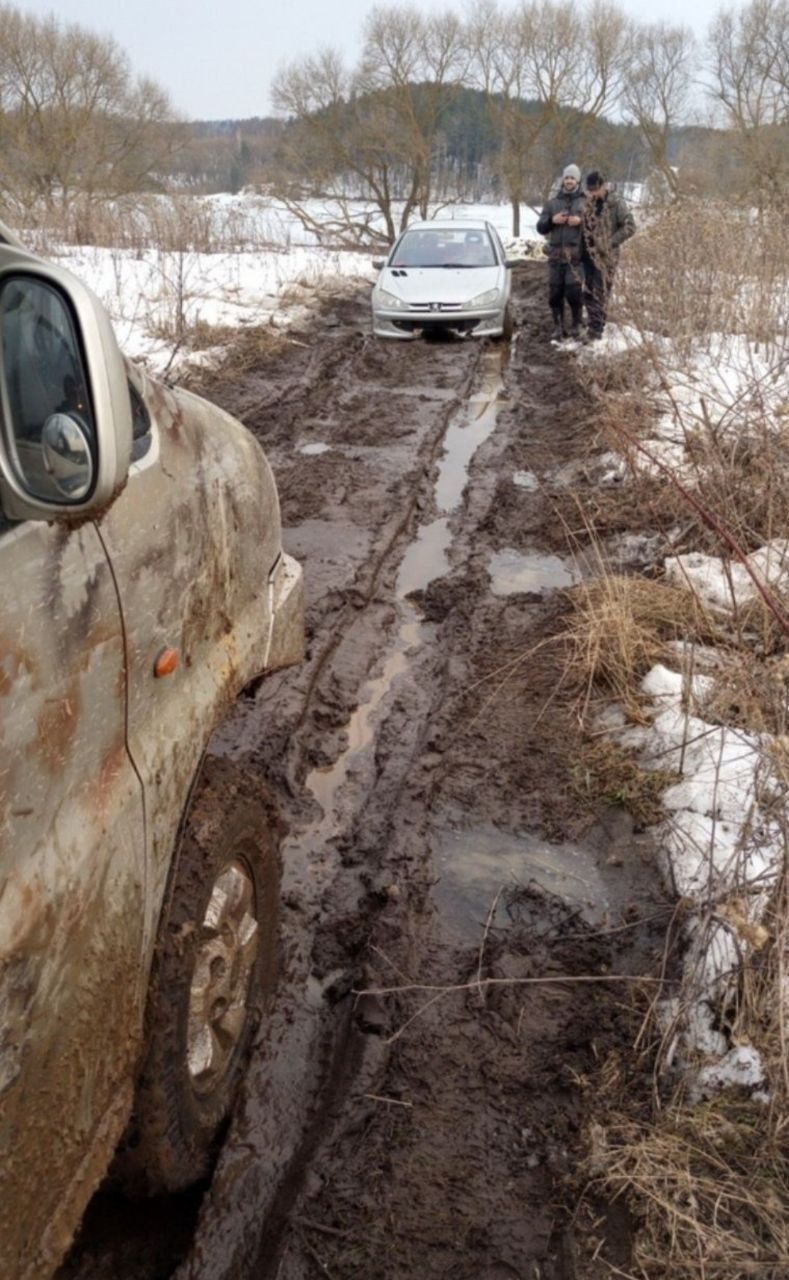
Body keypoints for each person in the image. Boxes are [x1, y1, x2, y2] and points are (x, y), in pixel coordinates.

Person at [580, 170, 635, 341]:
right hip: (588, 256)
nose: (593, 193)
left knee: (600, 293)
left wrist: (609, 243)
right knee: (588, 292)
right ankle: (593, 323)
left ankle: (596, 330)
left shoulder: (616, 203)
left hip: (606, 257)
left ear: (603, 186)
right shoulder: (589, 203)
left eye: (595, 189)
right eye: (590, 190)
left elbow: (630, 227)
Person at [536, 163, 586, 341]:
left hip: (576, 257)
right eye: (567, 177)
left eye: (572, 178)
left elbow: (597, 226)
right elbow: (540, 227)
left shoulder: (585, 202)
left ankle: (577, 325)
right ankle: (558, 326)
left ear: (578, 180)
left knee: (573, 292)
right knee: (555, 294)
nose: (569, 181)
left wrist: (581, 222)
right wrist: (552, 220)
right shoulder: (552, 203)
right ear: (563, 180)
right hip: (556, 256)